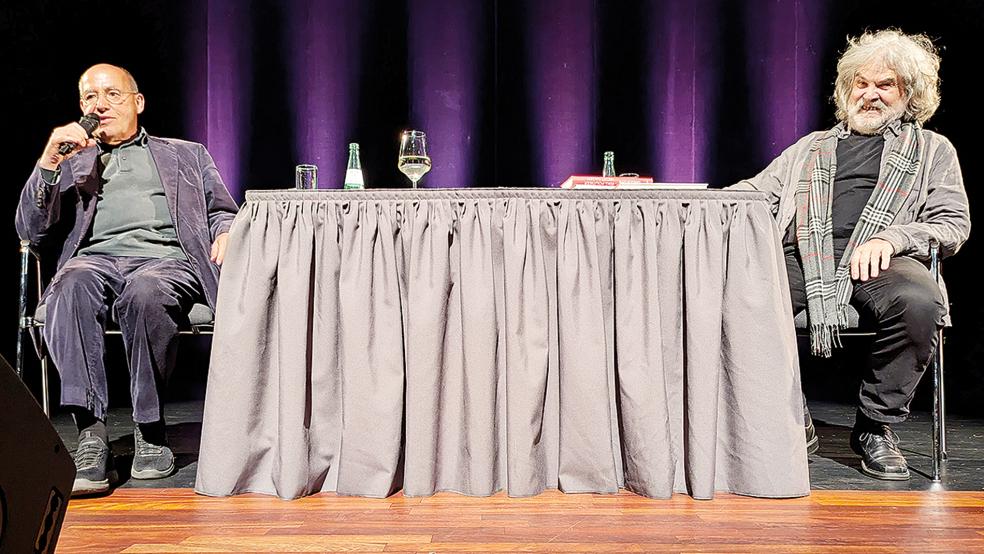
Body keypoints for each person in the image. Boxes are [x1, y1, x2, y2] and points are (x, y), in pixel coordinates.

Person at [731, 30, 970, 480]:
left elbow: (953, 223)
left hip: (883, 258)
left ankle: (876, 426)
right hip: (804, 252)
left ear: (909, 94)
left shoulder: (933, 150)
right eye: (862, 83)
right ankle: (789, 412)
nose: (870, 94)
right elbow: (751, 197)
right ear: (846, 90)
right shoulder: (810, 148)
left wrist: (892, 239)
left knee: (921, 302)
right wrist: (684, 201)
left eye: (886, 85)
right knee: (739, 296)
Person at [15, 63, 239, 495]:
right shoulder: (70, 160)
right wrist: (48, 160)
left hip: (165, 262)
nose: (100, 105)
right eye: (89, 97)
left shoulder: (187, 154)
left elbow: (222, 210)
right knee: (73, 284)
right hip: (95, 260)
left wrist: (227, 233)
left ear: (137, 103)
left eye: (112, 95)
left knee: (146, 293)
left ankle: (150, 431)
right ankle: (91, 436)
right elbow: (30, 230)